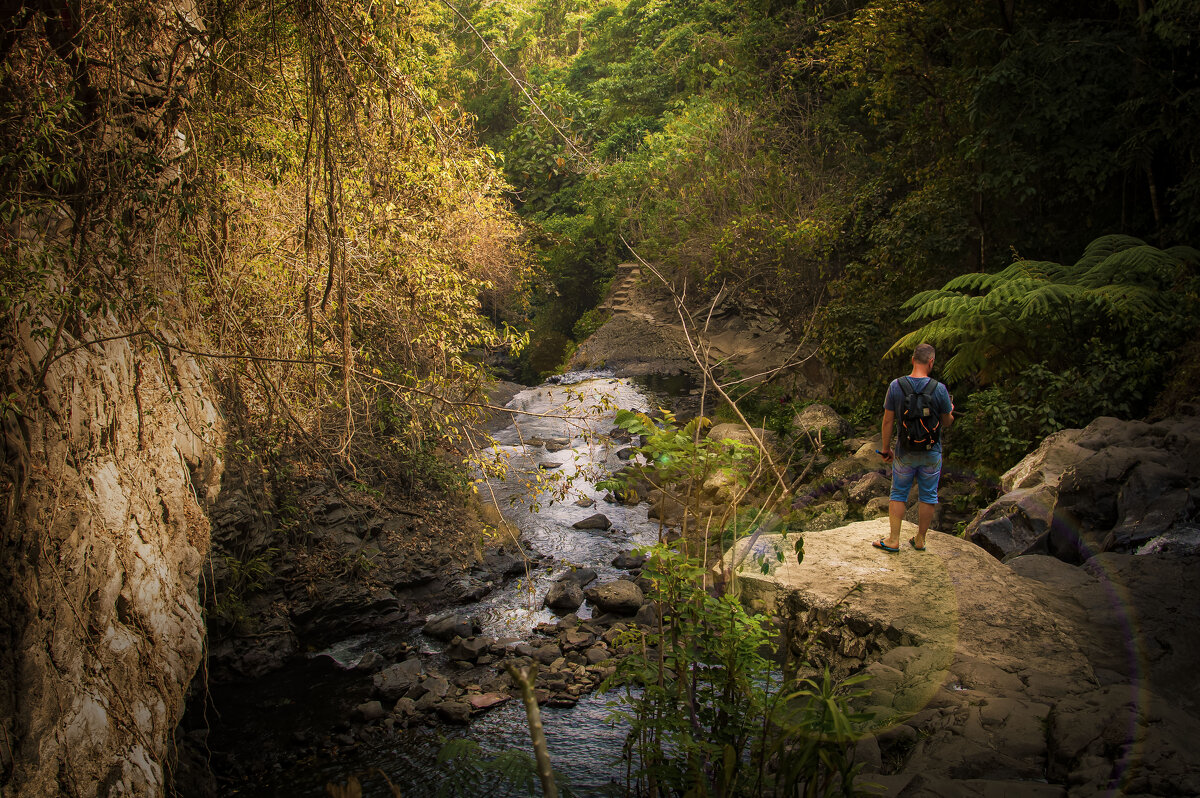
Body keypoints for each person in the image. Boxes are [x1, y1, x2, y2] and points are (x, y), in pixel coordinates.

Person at [874, 343, 954, 553]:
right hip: (932, 451)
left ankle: (893, 540)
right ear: (931, 362)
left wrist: (885, 449)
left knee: (898, 493)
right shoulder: (939, 389)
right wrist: (951, 410)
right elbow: (947, 422)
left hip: (904, 450)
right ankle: (920, 539)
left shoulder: (895, 386)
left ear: (912, 359)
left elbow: (887, 421)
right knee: (928, 496)